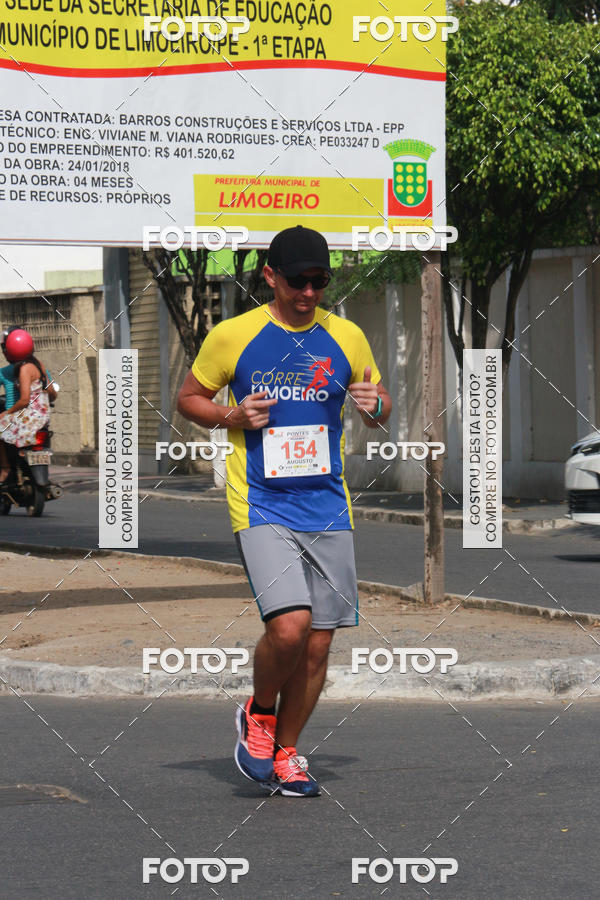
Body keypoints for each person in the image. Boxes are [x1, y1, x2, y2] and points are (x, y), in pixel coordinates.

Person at [177, 225, 391, 797]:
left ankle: (287, 753)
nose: (309, 292)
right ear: (270, 276)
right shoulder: (233, 336)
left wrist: (375, 405)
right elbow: (189, 398)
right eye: (298, 281)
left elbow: (379, 405)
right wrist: (231, 417)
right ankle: (260, 712)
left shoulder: (347, 336)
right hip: (262, 503)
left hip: (328, 506)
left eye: (320, 281)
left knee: (319, 642)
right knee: (290, 628)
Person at [0, 328, 56, 483]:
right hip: (43, 418)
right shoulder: (39, 365)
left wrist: (6, 413)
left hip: (28, 417)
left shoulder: (22, 370)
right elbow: (52, 393)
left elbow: (24, 400)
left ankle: (5, 468)